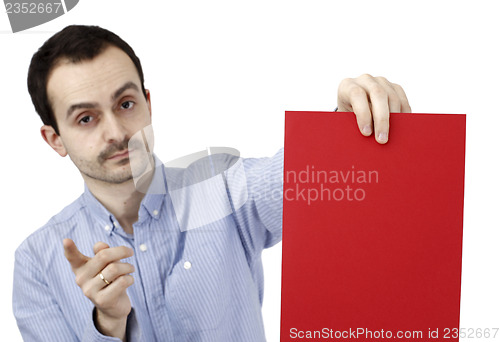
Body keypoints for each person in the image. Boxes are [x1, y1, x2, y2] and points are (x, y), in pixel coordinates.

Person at [12, 25, 411, 342]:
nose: (117, 132)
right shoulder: (37, 263)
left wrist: (343, 125)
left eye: (126, 104)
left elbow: (313, 177)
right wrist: (110, 324)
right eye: (86, 118)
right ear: (55, 139)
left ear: (148, 104)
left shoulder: (227, 190)